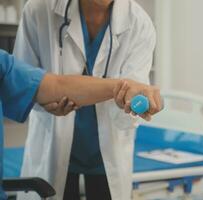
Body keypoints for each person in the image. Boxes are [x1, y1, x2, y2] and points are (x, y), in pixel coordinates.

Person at [14, 0, 157, 199]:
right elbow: (20, 83)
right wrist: (45, 104)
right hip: (53, 147)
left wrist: (133, 104)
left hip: (106, 154)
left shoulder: (139, 24)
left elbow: (134, 97)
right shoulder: (39, 9)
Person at [0, 49, 162, 199]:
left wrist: (127, 86)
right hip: (57, 147)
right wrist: (125, 86)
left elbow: (55, 85)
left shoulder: (3, 64)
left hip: (103, 154)